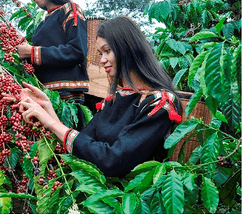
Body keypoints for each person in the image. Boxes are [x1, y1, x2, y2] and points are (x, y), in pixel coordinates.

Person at [17, 15, 183, 177]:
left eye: (107, 51)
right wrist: (47, 109)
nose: (102, 59)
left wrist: (51, 123)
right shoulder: (115, 100)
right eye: (100, 52)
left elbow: (114, 160)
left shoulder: (159, 103)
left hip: (134, 200)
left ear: (127, 48)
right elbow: (85, 147)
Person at [17, 0, 89, 129]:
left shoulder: (70, 10)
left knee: (67, 146)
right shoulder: (43, 23)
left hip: (67, 98)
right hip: (45, 96)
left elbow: (77, 51)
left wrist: (32, 52)